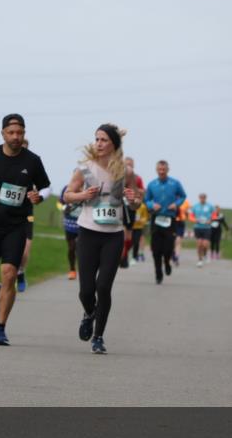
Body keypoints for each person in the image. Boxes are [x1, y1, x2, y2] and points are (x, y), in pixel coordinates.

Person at [0, 114, 51, 346]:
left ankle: (1, 328)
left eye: (20, 133)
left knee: (10, 274)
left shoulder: (32, 161)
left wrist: (39, 196)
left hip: (15, 225)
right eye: (11, 132)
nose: (16, 137)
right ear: (3, 133)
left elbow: (46, 187)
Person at [62, 124, 141, 354]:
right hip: (87, 232)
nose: (98, 143)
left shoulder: (125, 172)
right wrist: (82, 195)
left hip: (113, 236)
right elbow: (67, 195)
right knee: (86, 291)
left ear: (114, 144)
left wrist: (132, 197)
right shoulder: (84, 169)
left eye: (104, 140)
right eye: (96, 139)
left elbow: (136, 202)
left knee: (103, 287)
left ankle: (98, 337)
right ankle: (89, 313)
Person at [144, 160, 187, 285]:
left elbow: (183, 196)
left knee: (168, 247)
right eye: (159, 170)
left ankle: (167, 262)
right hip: (156, 219)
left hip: (170, 219)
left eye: (164, 170)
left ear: (168, 170)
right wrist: (152, 204)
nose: (161, 172)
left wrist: (176, 204)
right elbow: (146, 200)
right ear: (156, 170)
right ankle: (158, 272)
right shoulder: (152, 184)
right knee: (156, 249)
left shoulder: (175, 183)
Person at [17, 139, 34, 292]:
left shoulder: (32, 164)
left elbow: (42, 187)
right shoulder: (3, 162)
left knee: (25, 249)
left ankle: (20, 272)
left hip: (27, 213)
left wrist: (35, 193)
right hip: (7, 213)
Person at [58, 187, 82, 279]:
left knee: (81, 248)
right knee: (72, 247)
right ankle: (72, 270)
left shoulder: (88, 187)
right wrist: (64, 208)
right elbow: (59, 203)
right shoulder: (67, 188)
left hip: (84, 224)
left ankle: (84, 270)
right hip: (70, 223)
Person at [189, 193, 214, 267]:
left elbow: (214, 214)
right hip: (198, 227)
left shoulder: (210, 206)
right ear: (199, 198)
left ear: (206, 198)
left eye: (204, 198)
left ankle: (205, 254)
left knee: (205, 244)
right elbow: (190, 215)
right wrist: (194, 220)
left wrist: (211, 220)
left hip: (207, 227)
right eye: (201, 198)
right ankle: (200, 260)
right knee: (199, 244)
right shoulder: (195, 206)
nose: (202, 199)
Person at [173, 197, 190, 265]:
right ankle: (172, 254)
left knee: (178, 240)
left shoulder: (185, 202)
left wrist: (186, 214)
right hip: (172, 221)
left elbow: (187, 214)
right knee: (171, 240)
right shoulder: (171, 199)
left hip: (180, 222)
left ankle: (177, 256)